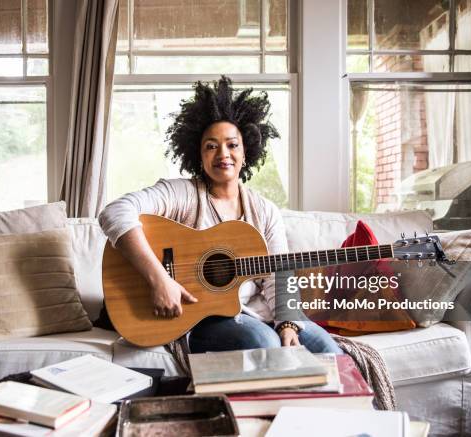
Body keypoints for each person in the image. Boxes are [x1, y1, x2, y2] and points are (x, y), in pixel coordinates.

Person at [99, 76, 341, 355]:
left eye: (232, 145)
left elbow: (278, 274)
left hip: (254, 313)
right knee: (265, 345)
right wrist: (159, 279)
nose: (222, 154)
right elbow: (115, 211)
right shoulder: (182, 194)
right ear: (198, 156)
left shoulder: (264, 210)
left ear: (246, 151)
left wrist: (287, 322)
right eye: (211, 146)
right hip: (199, 319)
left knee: (329, 351)